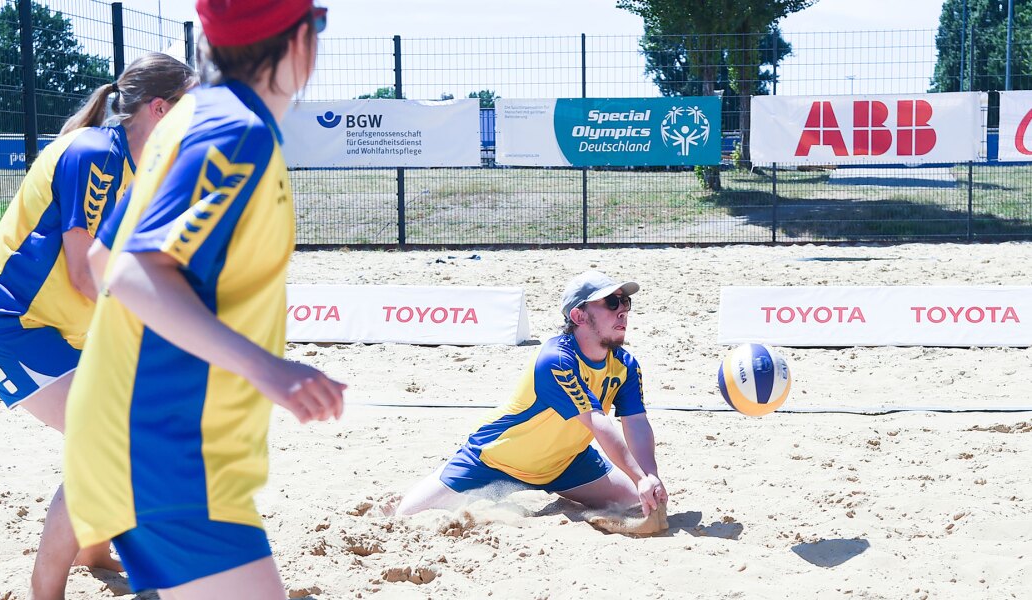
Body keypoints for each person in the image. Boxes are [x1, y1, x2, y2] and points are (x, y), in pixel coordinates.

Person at [62, 2, 342, 598]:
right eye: (318, 25)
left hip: (150, 438)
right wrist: (268, 369)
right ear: (298, 42)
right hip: (165, 449)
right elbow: (133, 271)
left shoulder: (192, 118)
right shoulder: (235, 131)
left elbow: (101, 259)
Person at [0, 52, 196, 600]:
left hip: (65, 328)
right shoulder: (95, 153)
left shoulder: (149, 168)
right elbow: (82, 273)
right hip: (5, 324)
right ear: (161, 109)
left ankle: (94, 550)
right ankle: (46, 594)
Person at [395, 270, 669, 520]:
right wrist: (637, 476)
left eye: (625, 303)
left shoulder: (626, 365)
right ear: (578, 316)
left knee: (640, 505)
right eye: (611, 303)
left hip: (567, 463)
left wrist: (649, 476)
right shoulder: (556, 359)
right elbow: (597, 421)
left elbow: (636, 422)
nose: (622, 310)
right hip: (496, 461)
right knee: (408, 515)